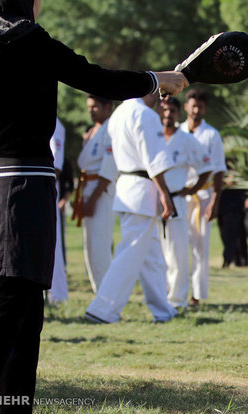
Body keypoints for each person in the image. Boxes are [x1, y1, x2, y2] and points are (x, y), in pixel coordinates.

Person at [0, 0, 187, 410]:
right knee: (13, 306)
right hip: (22, 183)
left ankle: (13, 401)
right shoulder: (26, 38)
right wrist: (154, 79)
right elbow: (95, 77)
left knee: (21, 306)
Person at [85, 91, 179, 324]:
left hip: (127, 186)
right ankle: (102, 308)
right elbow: (154, 158)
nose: (162, 98)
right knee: (130, 251)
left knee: (151, 256)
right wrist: (165, 194)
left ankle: (163, 310)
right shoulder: (144, 114)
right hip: (141, 188)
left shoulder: (119, 113)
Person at [156, 97, 211, 308]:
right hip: (155, 200)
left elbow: (207, 168)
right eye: (164, 110)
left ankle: (177, 299)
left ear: (178, 113)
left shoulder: (187, 140)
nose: (168, 114)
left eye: (171, 111)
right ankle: (161, 295)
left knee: (177, 252)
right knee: (157, 253)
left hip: (177, 199)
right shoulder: (155, 136)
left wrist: (192, 189)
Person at [180, 88, 227, 305]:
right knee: (177, 244)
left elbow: (218, 170)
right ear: (186, 106)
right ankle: (176, 290)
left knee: (199, 247)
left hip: (203, 194)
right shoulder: (177, 131)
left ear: (204, 109)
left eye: (200, 106)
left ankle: (197, 294)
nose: (196, 109)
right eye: (193, 105)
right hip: (180, 194)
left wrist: (215, 202)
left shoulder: (211, 134)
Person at [73, 95, 117, 293]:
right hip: (87, 187)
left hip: (101, 191)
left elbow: (109, 170)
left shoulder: (110, 129)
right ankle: (99, 292)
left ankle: (106, 295)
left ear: (107, 106)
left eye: (96, 107)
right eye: (89, 107)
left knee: (100, 246)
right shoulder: (91, 132)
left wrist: (92, 200)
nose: (91, 111)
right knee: (89, 245)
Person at [47, 118, 69, 304]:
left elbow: (57, 166)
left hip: (45, 188)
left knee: (53, 243)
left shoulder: (55, 123)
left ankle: (58, 295)